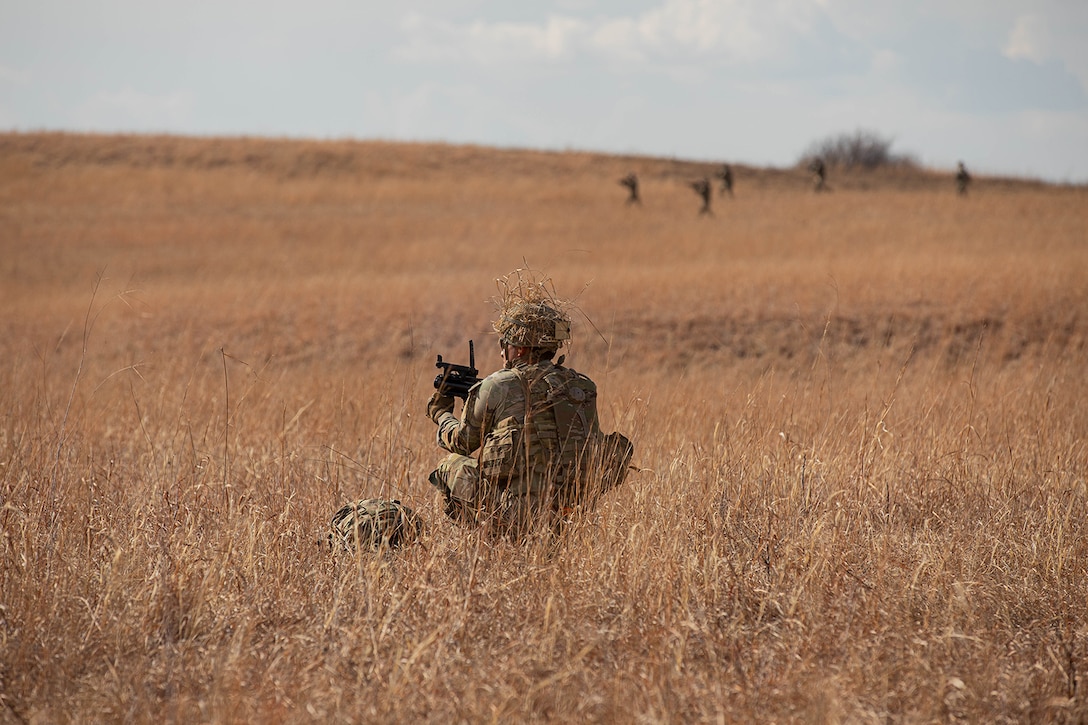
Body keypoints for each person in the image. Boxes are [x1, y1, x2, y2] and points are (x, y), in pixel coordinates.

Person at [426, 279, 632, 539]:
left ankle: (487, 539)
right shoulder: (582, 386)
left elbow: (461, 443)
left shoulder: (498, 385)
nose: (502, 352)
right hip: (569, 514)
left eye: (505, 344)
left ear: (519, 348)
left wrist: (440, 413)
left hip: (514, 515)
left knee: (450, 465)